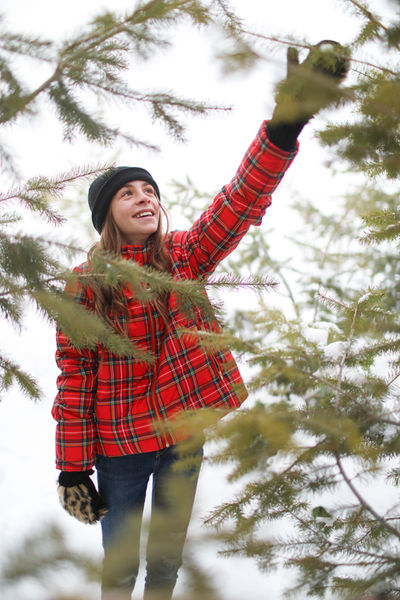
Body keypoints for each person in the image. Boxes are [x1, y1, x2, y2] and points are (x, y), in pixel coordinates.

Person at [52, 41, 349, 600]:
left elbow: (238, 203)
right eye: (127, 193)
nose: (144, 198)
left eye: (149, 190)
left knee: (166, 558)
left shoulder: (183, 256)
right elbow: (75, 374)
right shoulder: (87, 284)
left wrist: (283, 130)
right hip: (120, 445)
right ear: (105, 215)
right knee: (120, 565)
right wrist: (72, 469)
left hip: (184, 436)